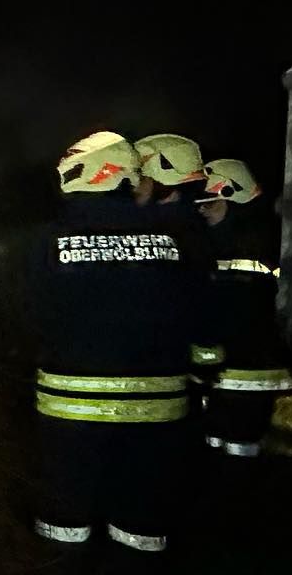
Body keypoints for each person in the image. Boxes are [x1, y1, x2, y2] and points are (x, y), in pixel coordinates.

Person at [28, 130, 210, 553]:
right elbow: (200, 308)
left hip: (68, 416)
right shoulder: (179, 240)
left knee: (64, 523)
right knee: (140, 524)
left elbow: (13, 301)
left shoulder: (46, 242)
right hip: (158, 417)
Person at [197, 157, 292, 456]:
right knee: (214, 448)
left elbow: (240, 310)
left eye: (210, 203)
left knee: (239, 451)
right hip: (222, 372)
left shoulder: (256, 244)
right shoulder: (220, 241)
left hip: (247, 371)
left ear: (234, 197)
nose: (202, 210)